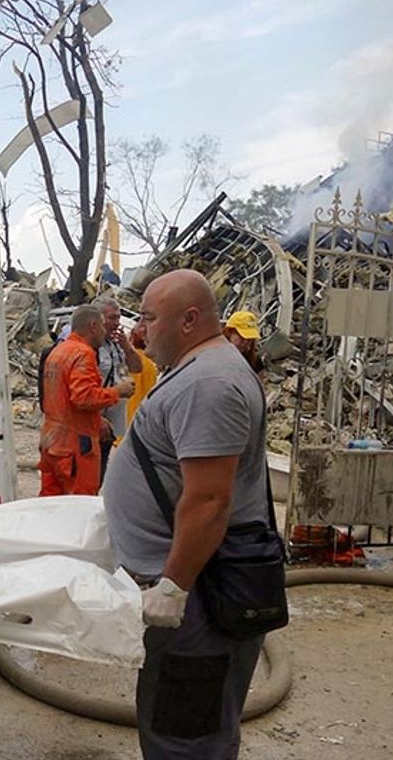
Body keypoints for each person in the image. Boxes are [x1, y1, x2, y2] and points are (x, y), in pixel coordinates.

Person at [102, 269, 270, 759]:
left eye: (151, 318)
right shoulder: (198, 369)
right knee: (181, 722)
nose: (141, 328)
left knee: (185, 731)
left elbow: (210, 500)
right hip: (193, 587)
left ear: (190, 320)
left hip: (196, 596)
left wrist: (172, 587)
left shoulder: (209, 384)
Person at [39, 304, 134, 496]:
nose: (104, 331)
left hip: (52, 442)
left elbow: (60, 397)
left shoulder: (59, 351)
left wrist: (97, 419)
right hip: (75, 447)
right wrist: (118, 391)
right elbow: (83, 397)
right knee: (80, 506)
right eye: (102, 325)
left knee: (50, 505)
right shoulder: (83, 353)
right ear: (93, 326)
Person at [95, 297, 143, 480]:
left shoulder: (116, 344)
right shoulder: (90, 346)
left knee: (101, 471)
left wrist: (126, 346)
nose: (116, 323)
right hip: (95, 417)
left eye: (118, 318)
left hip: (113, 420)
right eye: (112, 318)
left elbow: (137, 368)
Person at [124, 327, 158, 427]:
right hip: (140, 418)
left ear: (131, 339)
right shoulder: (151, 364)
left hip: (125, 417)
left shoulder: (129, 359)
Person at [224, 310, 265, 375]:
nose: (246, 343)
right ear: (229, 332)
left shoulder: (254, 362)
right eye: (242, 337)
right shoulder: (217, 358)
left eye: (250, 339)